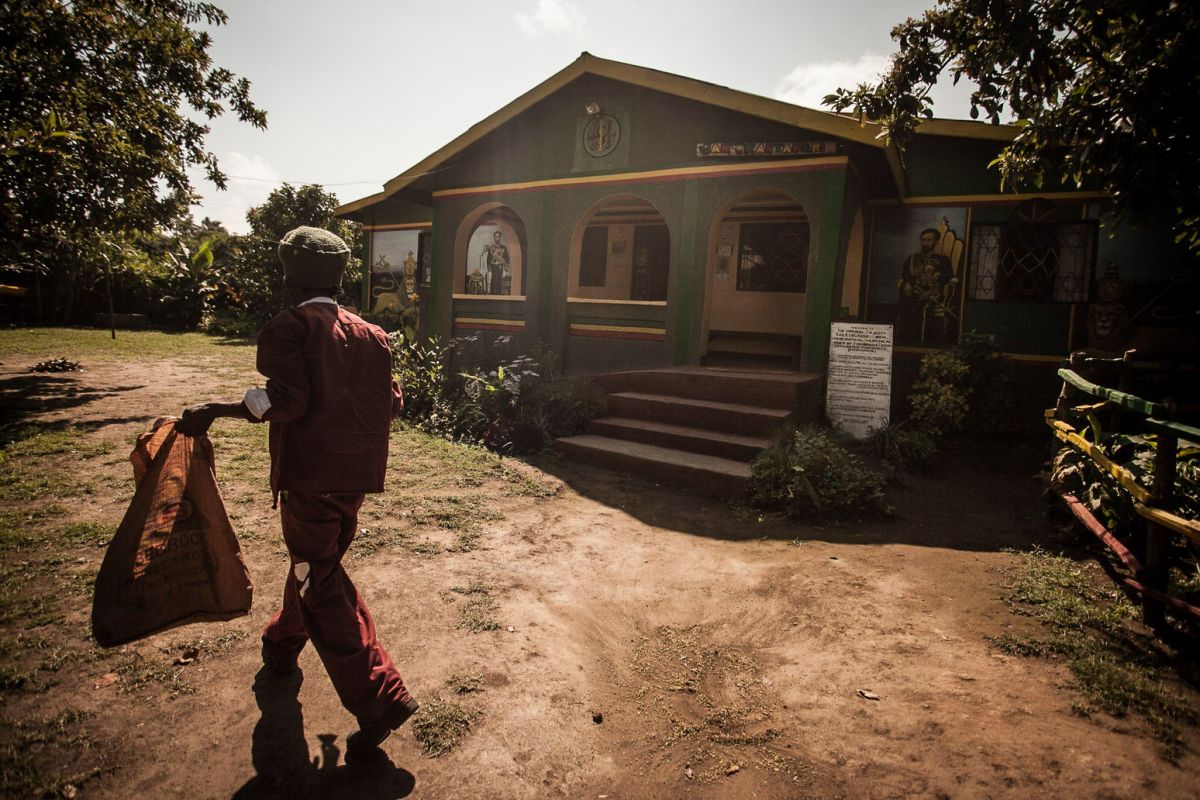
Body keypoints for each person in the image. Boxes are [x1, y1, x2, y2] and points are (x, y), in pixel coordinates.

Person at [176, 226, 418, 756]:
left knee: (321, 581)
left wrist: (215, 411)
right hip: (355, 481)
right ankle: (281, 646)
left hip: (310, 482)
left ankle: (381, 698)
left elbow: (287, 401)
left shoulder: (290, 327)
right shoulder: (373, 335)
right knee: (315, 570)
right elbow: (392, 404)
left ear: (289, 275)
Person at [481, 229, 510, 295]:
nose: (497, 238)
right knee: (493, 283)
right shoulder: (491, 247)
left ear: (500, 238)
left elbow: (507, 259)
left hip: (500, 268)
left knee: (500, 284)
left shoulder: (503, 247)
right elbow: (488, 260)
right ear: (494, 238)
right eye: (496, 237)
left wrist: (505, 270)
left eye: (498, 237)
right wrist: (489, 270)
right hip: (493, 268)